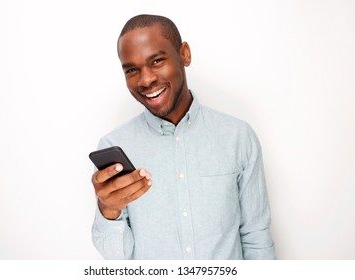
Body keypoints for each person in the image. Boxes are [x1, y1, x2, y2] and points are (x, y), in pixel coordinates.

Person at [91, 14, 275, 260]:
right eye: (132, 69)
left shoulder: (238, 138)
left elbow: (256, 237)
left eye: (156, 60)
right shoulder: (115, 147)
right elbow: (117, 260)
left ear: (184, 54)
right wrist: (108, 211)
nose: (145, 80)